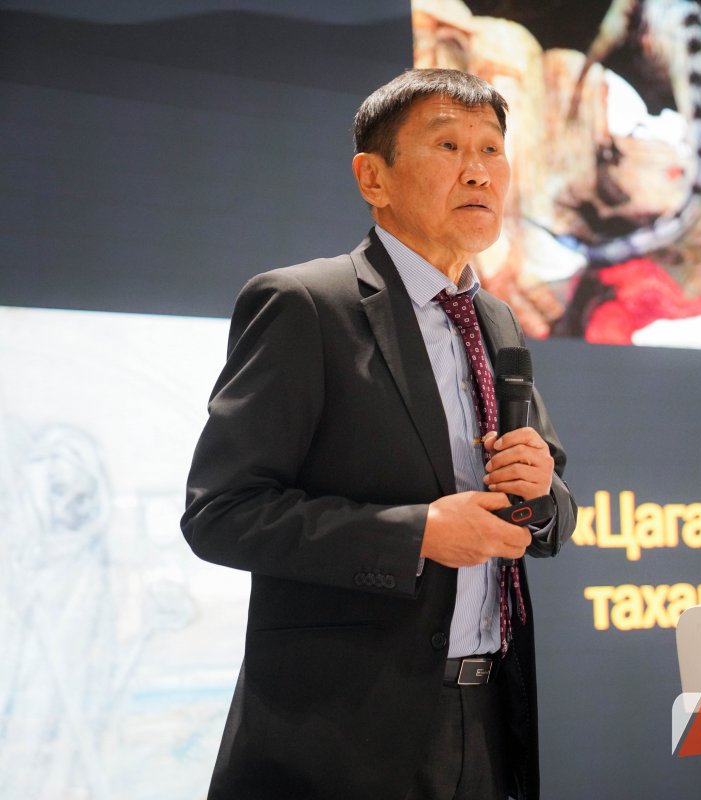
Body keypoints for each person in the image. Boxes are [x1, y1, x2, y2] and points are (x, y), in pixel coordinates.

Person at [181, 68, 576, 800]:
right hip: (341, 740)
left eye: (492, 150)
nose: (479, 171)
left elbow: (551, 511)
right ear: (374, 178)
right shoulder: (305, 305)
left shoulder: (494, 319)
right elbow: (221, 513)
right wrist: (417, 535)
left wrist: (542, 494)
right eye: (448, 146)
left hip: (488, 721)